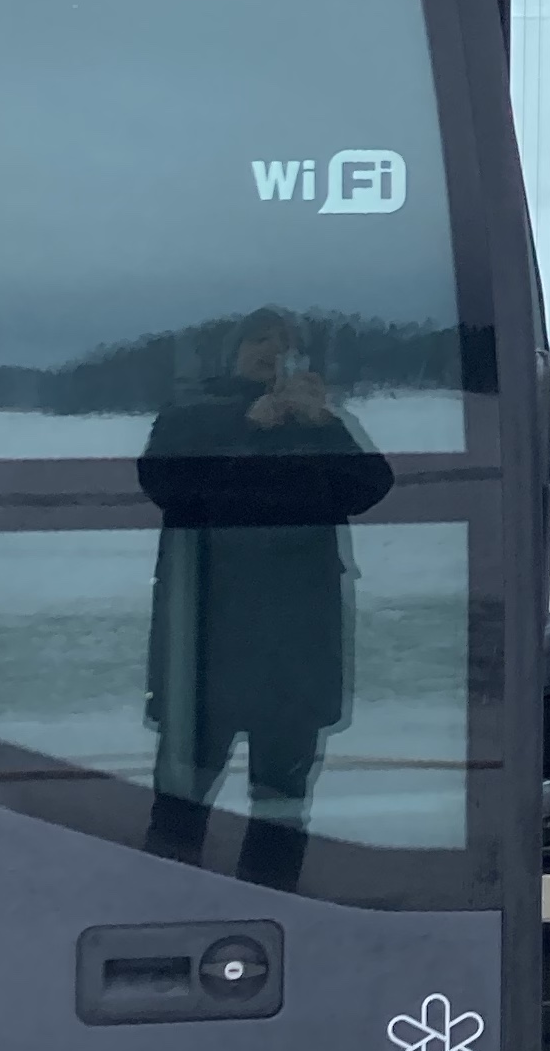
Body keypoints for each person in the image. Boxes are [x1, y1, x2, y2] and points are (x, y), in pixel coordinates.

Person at [137, 309, 391, 885]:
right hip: (204, 643)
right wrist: (247, 422)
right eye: (260, 340)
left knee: (282, 804)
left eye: (286, 344)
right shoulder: (189, 418)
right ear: (232, 350)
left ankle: (276, 905)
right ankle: (162, 899)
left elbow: (372, 488)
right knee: (182, 794)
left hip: (294, 648)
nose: (272, 352)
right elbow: (163, 483)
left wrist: (323, 423)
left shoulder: (317, 424)